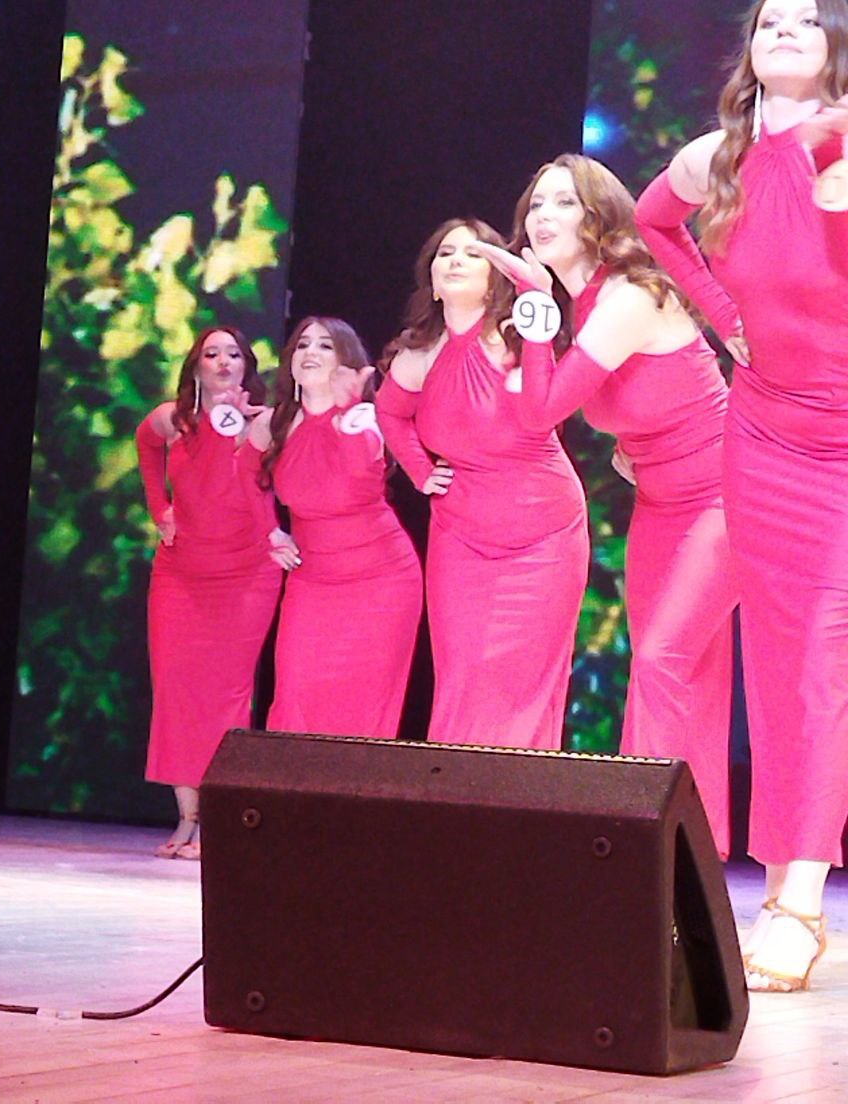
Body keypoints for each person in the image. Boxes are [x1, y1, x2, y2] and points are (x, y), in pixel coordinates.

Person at [634, 0, 848, 990]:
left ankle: (800, 901)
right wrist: (723, 318)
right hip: (761, 433)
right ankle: (774, 887)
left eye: (809, 20)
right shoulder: (717, 157)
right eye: (771, 20)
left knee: (823, 657)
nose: (787, 31)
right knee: (774, 659)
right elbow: (651, 223)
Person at [471, 155, 737, 858]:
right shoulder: (584, 307)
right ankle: (696, 854)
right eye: (536, 205)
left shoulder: (628, 296)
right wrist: (632, 446)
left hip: (725, 497)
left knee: (662, 661)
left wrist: (533, 301)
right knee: (688, 675)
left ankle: (646, 849)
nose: (543, 217)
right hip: (660, 504)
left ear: (597, 217)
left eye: (563, 203)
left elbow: (543, 412)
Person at [376, 219, 588, 749]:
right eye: (445, 252)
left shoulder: (518, 339)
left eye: (472, 254)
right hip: (461, 538)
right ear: (431, 277)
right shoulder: (416, 357)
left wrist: (535, 297)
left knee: (523, 680)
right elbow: (389, 414)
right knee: (464, 673)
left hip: (544, 536)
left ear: (497, 274)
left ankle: (515, 797)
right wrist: (421, 472)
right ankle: (454, 795)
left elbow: (542, 415)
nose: (455, 260)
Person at [135, 327, 282, 858]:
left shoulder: (264, 418)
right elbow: (145, 444)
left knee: (228, 693)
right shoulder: (173, 420)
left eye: (233, 354)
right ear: (195, 367)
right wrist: (160, 509)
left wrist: (246, 428)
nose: (222, 362)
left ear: (247, 366)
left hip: (246, 572)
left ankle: (217, 821)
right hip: (180, 573)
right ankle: (186, 818)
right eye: (211, 354)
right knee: (176, 690)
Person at [243, 317, 422, 736]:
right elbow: (246, 476)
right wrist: (271, 532)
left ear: (346, 361)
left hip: (381, 583)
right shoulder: (273, 425)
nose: (310, 353)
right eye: (303, 344)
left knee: (364, 715)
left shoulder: (364, 419)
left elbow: (359, 474)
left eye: (325, 346)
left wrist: (348, 410)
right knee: (294, 703)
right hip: (313, 584)